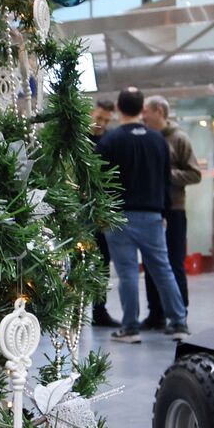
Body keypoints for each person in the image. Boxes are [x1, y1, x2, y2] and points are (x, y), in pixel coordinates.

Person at [94, 87, 189, 343]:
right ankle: (179, 322)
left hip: (119, 216)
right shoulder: (158, 140)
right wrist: (165, 211)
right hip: (152, 216)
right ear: (140, 110)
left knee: (127, 273)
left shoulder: (110, 141)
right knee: (162, 270)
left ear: (119, 108)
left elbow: (99, 181)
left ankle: (130, 328)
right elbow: (165, 180)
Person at [141, 95, 201, 330]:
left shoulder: (179, 139)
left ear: (158, 111)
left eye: (146, 111)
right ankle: (155, 314)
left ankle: (179, 313)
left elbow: (194, 174)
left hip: (174, 211)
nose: (143, 116)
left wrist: (165, 174)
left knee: (174, 263)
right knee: (150, 264)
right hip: (152, 210)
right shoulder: (146, 139)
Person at [88, 97, 119, 328]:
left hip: (99, 211)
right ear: (92, 113)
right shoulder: (77, 139)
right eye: (99, 118)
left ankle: (99, 310)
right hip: (75, 209)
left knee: (102, 260)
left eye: (106, 120)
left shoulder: (109, 141)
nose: (101, 123)